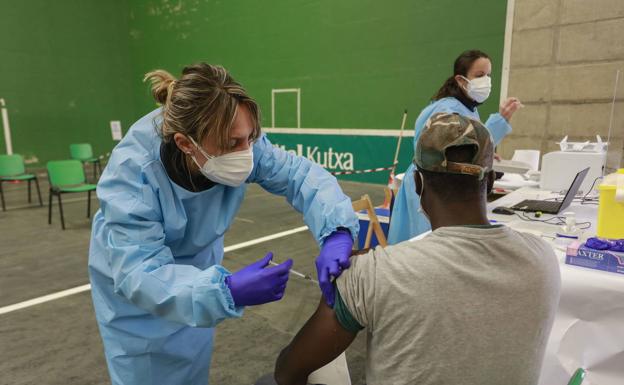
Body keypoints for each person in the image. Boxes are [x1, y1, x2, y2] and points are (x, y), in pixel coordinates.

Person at [88, 63, 359, 385]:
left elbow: (300, 176)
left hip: (198, 272)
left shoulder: (235, 139)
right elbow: (139, 273)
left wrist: (337, 232)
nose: (246, 153)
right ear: (186, 144)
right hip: (138, 296)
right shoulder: (132, 175)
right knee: (149, 371)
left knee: (192, 362)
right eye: (233, 144)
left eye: (250, 138)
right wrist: (225, 291)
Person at [274, 113, 561, 385]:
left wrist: (361, 275)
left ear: (417, 183)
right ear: (490, 183)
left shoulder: (370, 276)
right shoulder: (543, 258)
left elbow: (288, 371)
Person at [388, 49, 522, 244]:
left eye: (488, 75)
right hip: (434, 187)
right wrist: (499, 122)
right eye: (480, 75)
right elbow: (455, 146)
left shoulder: (465, 107)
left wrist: (485, 152)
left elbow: (470, 145)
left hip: (442, 187)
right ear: (461, 80)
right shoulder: (447, 110)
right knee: (428, 248)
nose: (486, 81)